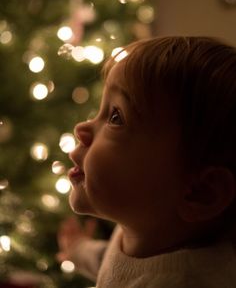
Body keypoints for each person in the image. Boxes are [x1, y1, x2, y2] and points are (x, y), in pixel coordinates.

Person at [57, 36, 236, 287]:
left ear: (199, 192)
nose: (82, 128)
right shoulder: (145, 230)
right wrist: (78, 249)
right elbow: (111, 263)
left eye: (116, 117)